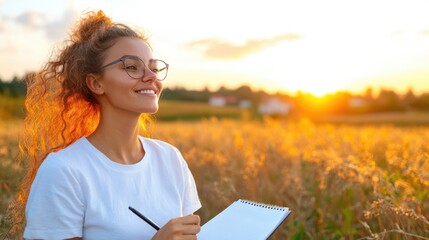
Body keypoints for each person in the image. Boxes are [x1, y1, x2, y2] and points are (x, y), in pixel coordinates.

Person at [17, 10, 202, 239]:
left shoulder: (170, 159)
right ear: (96, 83)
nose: (151, 76)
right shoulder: (64, 171)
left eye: (153, 67)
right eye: (132, 67)